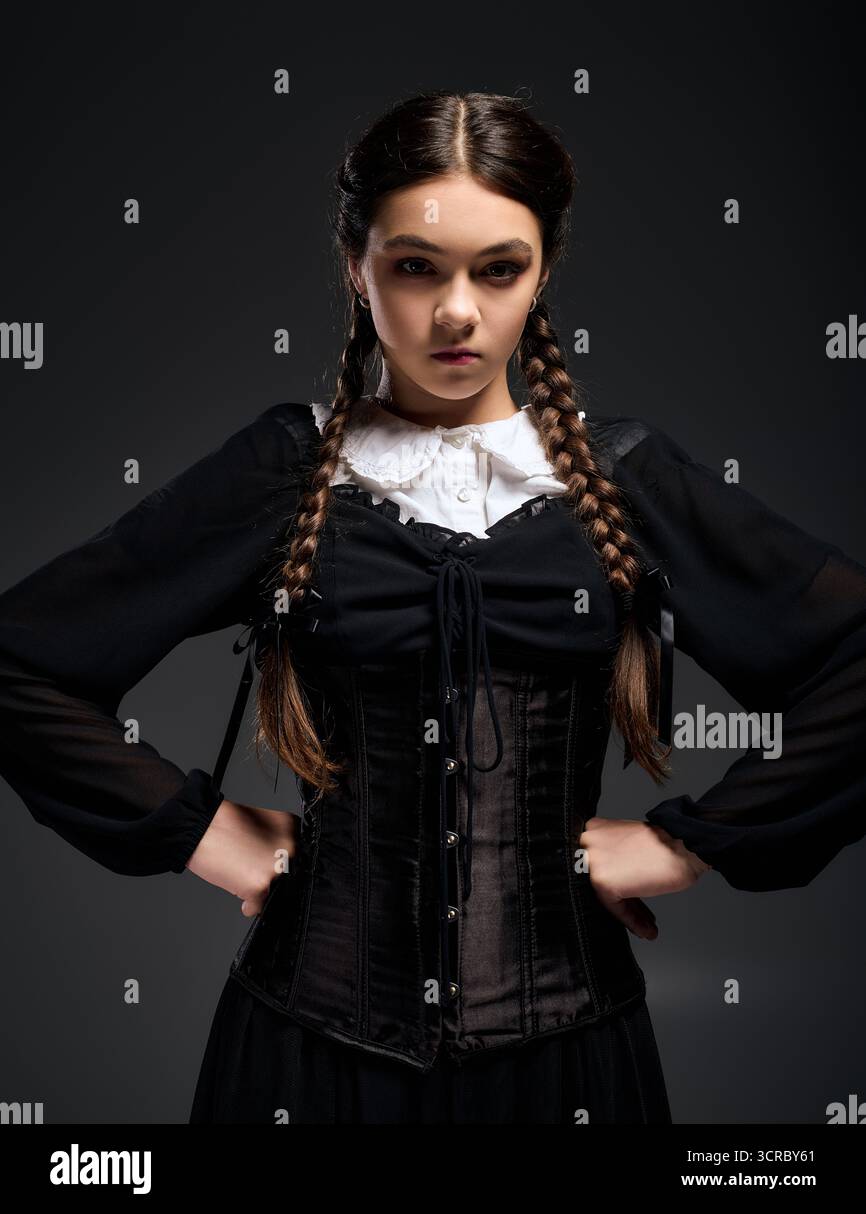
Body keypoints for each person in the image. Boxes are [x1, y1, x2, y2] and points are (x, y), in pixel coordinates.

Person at [1, 91, 864, 1125]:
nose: (457, 310)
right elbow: (23, 661)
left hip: (568, 1066)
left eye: (498, 269)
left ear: (542, 272)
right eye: (416, 266)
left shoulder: (623, 480)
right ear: (354, 266)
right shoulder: (287, 470)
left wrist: (685, 842)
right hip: (304, 1059)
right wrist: (202, 833)